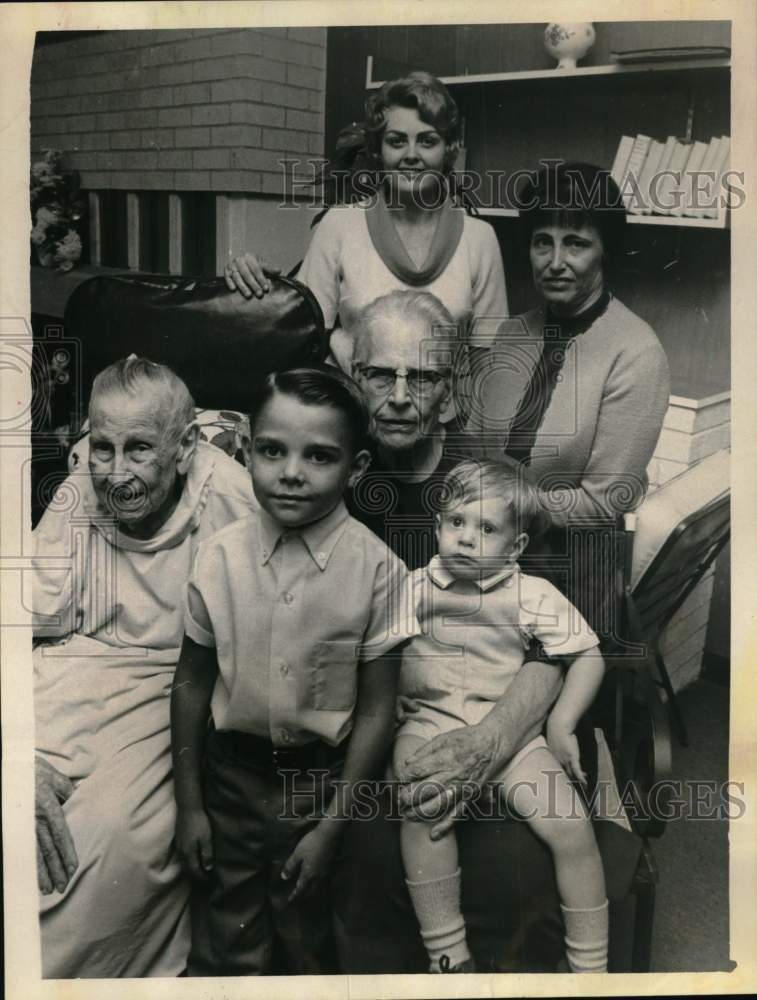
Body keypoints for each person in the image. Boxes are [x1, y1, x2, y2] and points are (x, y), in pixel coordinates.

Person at [332, 289, 585, 973]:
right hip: (387, 727)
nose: (399, 396)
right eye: (379, 374)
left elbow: (552, 642)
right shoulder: (331, 474)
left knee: (514, 870)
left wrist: (492, 739)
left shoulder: (490, 485)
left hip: (496, 722)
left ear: (450, 393)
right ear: (353, 377)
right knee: (372, 855)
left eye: (423, 377)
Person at [171, 366, 418, 976]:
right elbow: (192, 681)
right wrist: (190, 804)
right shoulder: (218, 555)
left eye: (319, 456)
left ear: (356, 469)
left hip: (319, 786)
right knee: (229, 942)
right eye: (273, 450)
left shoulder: (379, 572)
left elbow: (377, 708)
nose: (290, 472)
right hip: (228, 777)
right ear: (248, 449)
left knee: (308, 944)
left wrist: (333, 826)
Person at [32, 357, 255, 978]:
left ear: (184, 447)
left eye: (138, 449)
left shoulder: (229, 497)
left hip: (175, 684)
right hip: (71, 669)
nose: (116, 473)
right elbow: (23, 615)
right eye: (102, 447)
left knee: (104, 841)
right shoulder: (82, 484)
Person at [395, 459, 607, 974]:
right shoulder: (411, 588)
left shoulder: (531, 594)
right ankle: (448, 954)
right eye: (456, 523)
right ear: (437, 527)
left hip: (511, 736)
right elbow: (374, 650)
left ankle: (591, 966)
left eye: (487, 529)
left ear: (516, 548)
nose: (466, 539)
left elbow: (587, 655)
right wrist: (394, 695)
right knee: (420, 805)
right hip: (431, 722)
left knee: (572, 827)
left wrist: (560, 723)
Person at [468, 162, 671, 631]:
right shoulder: (511, 333)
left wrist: (502, 509)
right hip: (484, 557)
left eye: (576, 243)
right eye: (543, 241)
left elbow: (605, 503)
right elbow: (476, 445)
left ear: (605, 252)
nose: (555, 261)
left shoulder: (636, 351)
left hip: (568, 578)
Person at [224, 70, 508, 373]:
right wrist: (250, 276)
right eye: (397, 141)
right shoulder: (339, 225)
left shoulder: (480, 238)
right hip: (351, 411)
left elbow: (488, 362)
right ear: (378, 150)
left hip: (442, 418)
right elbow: (300, 336)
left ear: (449, 149)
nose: (411, 155)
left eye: (427, 141)